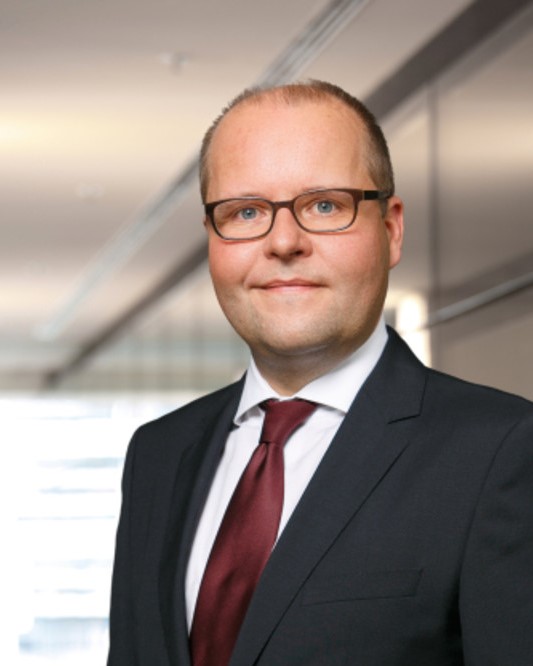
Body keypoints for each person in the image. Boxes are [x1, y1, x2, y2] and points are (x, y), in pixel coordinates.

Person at [107, 80, 533, 666]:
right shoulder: (158, 453)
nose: (284, 242)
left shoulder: (501, 450)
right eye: (246, 211)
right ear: (211, 239)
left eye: (326, 205)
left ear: (391, 230)